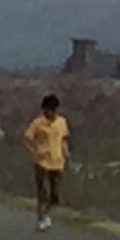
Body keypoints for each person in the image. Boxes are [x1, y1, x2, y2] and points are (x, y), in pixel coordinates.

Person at [25, 94, 69, 230]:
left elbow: (63, 139)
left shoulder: (61, 122)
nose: (50, 112)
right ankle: (41, 218)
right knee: (42, 192)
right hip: (41, 162)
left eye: (53, 109)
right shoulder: (37, 123)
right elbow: (27, 138)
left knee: (55, 195)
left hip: (57, 161)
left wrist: (65, 152)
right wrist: (34, 151)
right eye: (48, 109)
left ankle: (46, 213)